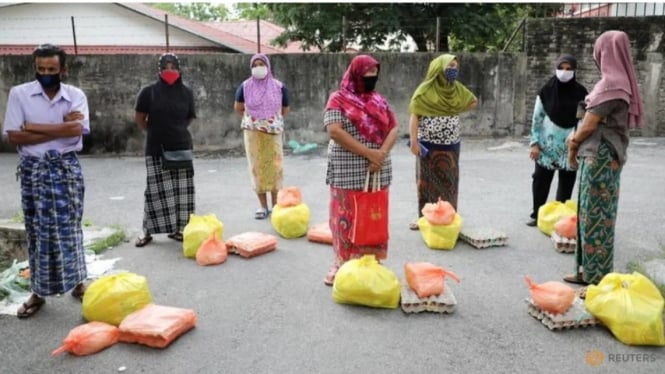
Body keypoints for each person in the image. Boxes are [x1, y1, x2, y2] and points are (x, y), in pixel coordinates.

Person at [2, 43, 89, 318]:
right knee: (37, 229)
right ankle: (37, 292)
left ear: (63, 69)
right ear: (35, 68)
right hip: (34, 171)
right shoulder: (20, 94)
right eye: (41, 69)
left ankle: (78, 282)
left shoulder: (75, 95)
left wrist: (33, 127)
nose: (46, 73)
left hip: (65, 169)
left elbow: (77, 130)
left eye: (52, 69)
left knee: (70, 227)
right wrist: (59, 129)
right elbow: (14, 136)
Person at [563, 31, 644, 296]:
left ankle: (598, 281)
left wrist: (573, 142)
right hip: (594, 156)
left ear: (605, 52)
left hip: (601, 157)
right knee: (586, 214)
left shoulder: (613, 85)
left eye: (599, 50)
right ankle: (585, 271)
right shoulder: (611, 83)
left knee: (598, 217)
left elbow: (589, 123)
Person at [322, 54, 398, 286]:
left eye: (374, 75)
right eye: (366, 75)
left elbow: (394, 128)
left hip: (377, 170)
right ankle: (342, 263)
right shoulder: (338, 99)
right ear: (355, 74)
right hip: (347, 170)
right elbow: (334, 130)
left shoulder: (379, 100)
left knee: (373, 216)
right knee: (345, 216)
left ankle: (370, 261)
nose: (371, 79)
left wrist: (380, 155)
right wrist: (370, 153)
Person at [407, 54, 478, 230]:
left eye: (455, 66)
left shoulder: (456, 89)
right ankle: (424, 219)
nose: (453, 70)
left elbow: (473, 101)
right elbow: (415, 116)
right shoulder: (425, 90)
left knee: (449, 184)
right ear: (438, 68)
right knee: (426, 183)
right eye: (449, 66)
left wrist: (455, 108)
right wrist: (413, 140)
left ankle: (448, 219)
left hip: (451, 146)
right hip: (428, 146)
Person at [134, 53, 197, 247]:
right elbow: (140, 118)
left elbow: (189, 117)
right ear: (159, 70)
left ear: (179, 69)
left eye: (173, 67)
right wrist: (156, 132)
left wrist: (175, 130)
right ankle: (147, 232)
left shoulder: (186, 93)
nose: (170, 71)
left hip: (182, 146)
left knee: (182, 193)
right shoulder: (148, 92)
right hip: (156, 148)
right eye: (165, 67)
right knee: (155, 192)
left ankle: (179, 229)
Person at [526, 54, 588, 227]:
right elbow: (536, 119)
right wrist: (534, 143)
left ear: (575, 71)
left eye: (568, 69)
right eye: (561, 68)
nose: (564, 72)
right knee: (540, 180)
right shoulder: (546, 91)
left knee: (566, 183)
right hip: (546, 146)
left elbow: (583, 120)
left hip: (570, 146)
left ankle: (560, 217)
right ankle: (537, 214)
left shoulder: (582, 93)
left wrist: (577, 138)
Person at [233, 54, 290, 219]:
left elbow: (285, 109)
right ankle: (263, 207)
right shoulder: (245, 86)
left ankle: (276, 206)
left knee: (275, 168)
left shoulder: (279, 87)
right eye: (255, 65)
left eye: (261, 64)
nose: (258, 67)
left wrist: (270, 120)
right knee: (257, 168)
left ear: (268, 66)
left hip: (273, 133)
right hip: (253, 133)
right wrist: (255, 119)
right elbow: (238, 107)